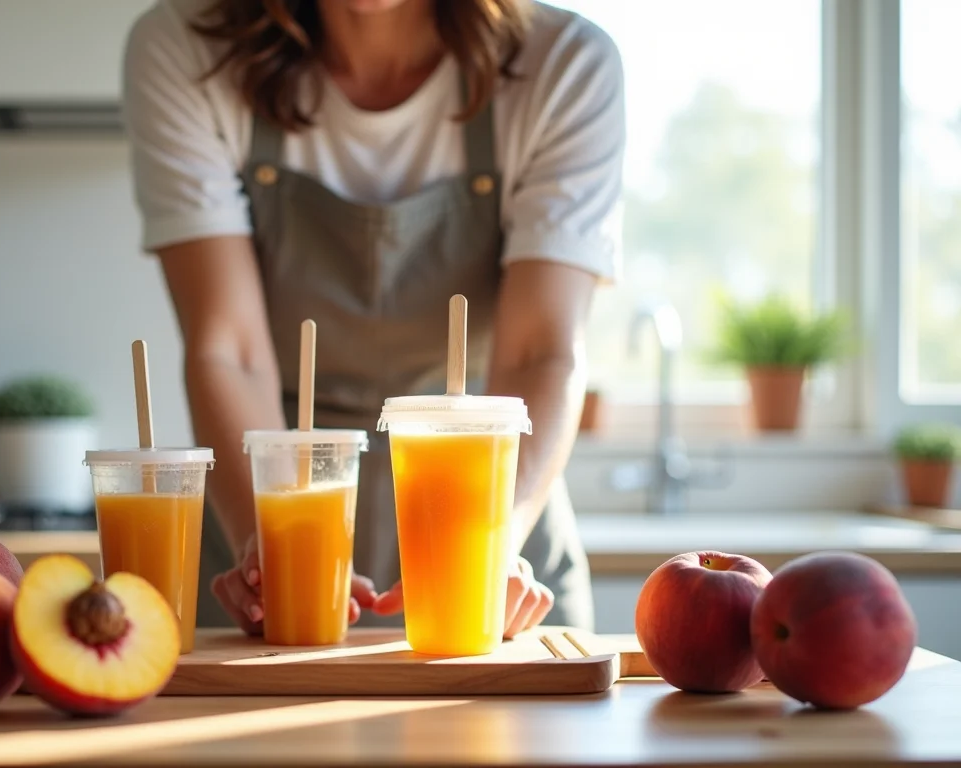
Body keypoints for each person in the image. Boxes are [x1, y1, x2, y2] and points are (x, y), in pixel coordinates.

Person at [122, 0, 624, 636]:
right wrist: (267, 544)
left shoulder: (563, 64)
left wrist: (490, 545)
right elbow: (230, 349)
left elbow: (540, 352)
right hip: (267, 509)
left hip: (495, 525)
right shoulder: (186, 49)